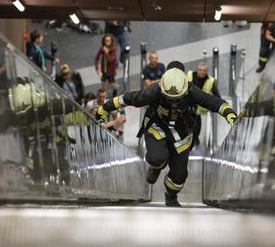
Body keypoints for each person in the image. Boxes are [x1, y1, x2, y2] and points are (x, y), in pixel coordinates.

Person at [95, 61, 237, 207]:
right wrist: (104, 109)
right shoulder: (154, 90)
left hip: (182, 134)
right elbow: (129, 98)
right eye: (169, 97)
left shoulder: (191, 90)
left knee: (179, 175)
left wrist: (228, 112)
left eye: (177, 97)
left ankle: (171, 196)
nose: (173, 101)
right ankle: (157, 166)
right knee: (157, 158)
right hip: (157, 127)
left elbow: (212, 101)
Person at [187, 62, 221, 145]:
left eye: (204, 70)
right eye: (200, 70)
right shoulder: (189, 75)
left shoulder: (210, 80)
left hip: (198, 108)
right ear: (197, 70)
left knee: (197, 125)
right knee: (186, 123)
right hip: (187, 105)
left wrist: (221, 104)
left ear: (206, 71)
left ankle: (195, 139)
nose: (202, 72)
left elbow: (216, 94)